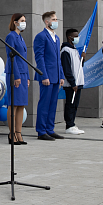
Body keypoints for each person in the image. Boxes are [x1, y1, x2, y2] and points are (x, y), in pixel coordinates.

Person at [33, 11, 65, 141]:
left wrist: (61, 75)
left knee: (53, 104)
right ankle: (41, 131)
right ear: (47, 22)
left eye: (56, 19)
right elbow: (39, 57)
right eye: (54, 19)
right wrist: (44, 75)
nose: (56, 21)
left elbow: (58, 59)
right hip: (46, 76)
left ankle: (50, 129)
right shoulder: (41, 36)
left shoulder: (56, 38)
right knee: (44, 104)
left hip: (56, 76)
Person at [4, 13, 30, 144]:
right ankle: (12, 133)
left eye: (25, 20)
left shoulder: (20, 37)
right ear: (15, 22)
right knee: (13, 104)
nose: (24, 23)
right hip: (15, 73)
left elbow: (24, 59)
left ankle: (19, 133)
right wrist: (17, 76)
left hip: (23, 73)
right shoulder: (11, 36)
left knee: (21, 105)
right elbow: (11, 57)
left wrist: (27, 76)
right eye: (22, 20)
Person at [61, 28, 85, 135]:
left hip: (78, 82)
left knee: (75, 104)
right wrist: (72, 83)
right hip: (71, 84)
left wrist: (83, 59)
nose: (77, 38)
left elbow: (78, 67)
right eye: (75, 36)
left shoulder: (74, 49)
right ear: (69, 37)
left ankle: (72, 123)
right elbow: (67, 69)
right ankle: (69, 125)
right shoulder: (65, 51)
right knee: (70, 104)